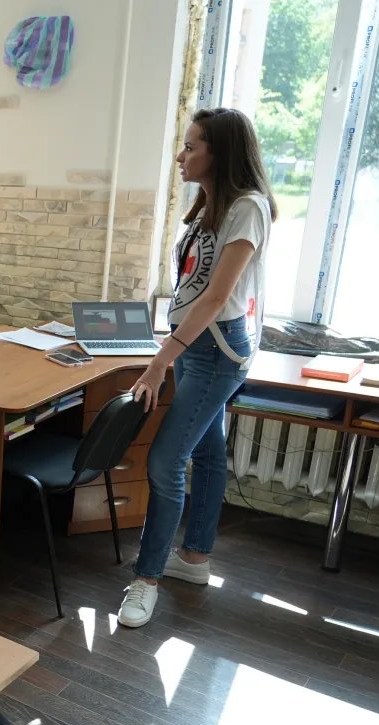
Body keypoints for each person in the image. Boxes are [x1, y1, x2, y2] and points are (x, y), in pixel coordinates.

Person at [118, 108, 275, 628]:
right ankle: (195, 560)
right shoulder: (209, 205)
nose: (180, 157)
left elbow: (217, 295)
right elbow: (190, 285)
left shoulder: (248, 208)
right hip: (193, 344)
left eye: (191, 147)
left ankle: (146, 581)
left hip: (216, 350)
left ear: (220, 152)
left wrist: (161, 359)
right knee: (207, 451)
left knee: (166, 462)